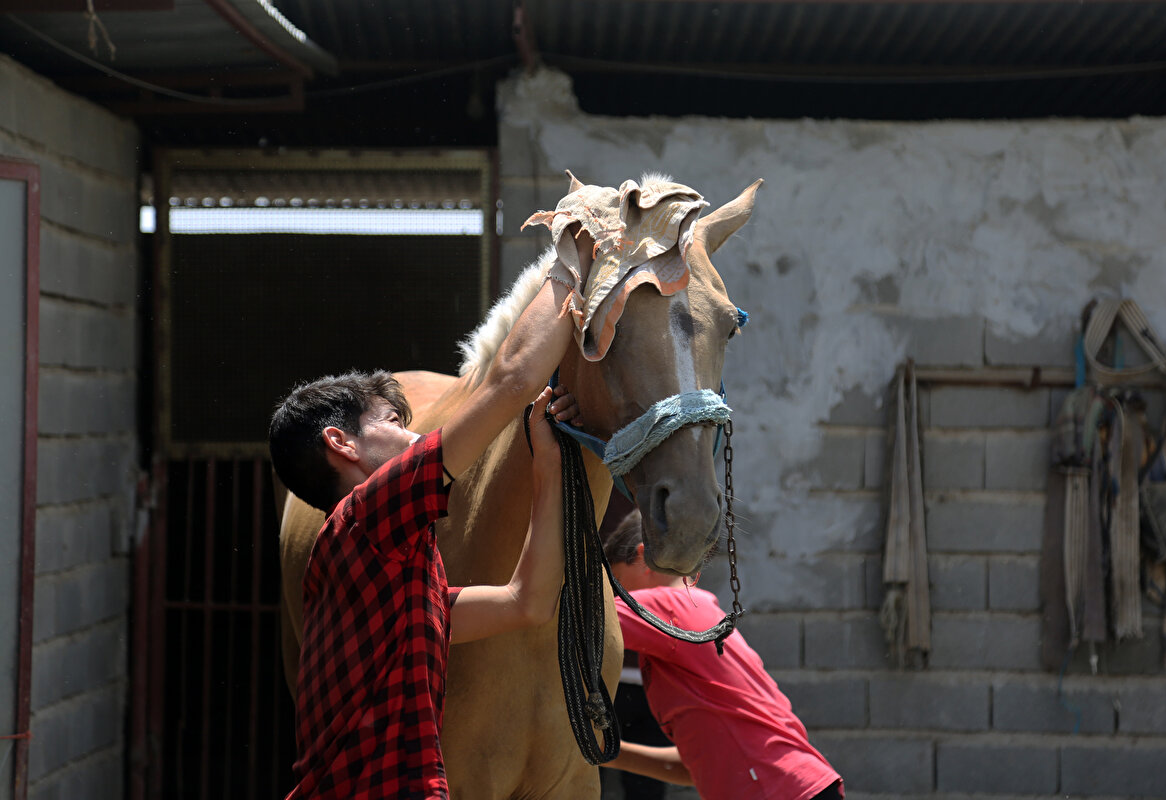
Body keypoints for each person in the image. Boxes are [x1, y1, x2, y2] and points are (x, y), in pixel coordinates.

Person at [267, 243, 590, 800]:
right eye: (392, 420)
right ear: (341, 443)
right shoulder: (367, 516)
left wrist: (551, 465)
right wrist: (574, 259)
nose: (414, 433)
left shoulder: (387, 579)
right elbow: (509, 381)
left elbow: (527, 602)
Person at [601, 510, 844, 800]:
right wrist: (607, 751)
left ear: (642, 558)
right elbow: (696, 766)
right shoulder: (690, 616)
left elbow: (572, 623)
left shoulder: (666, 606)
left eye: (615, 585)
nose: (616, 598)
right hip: (796, 786)